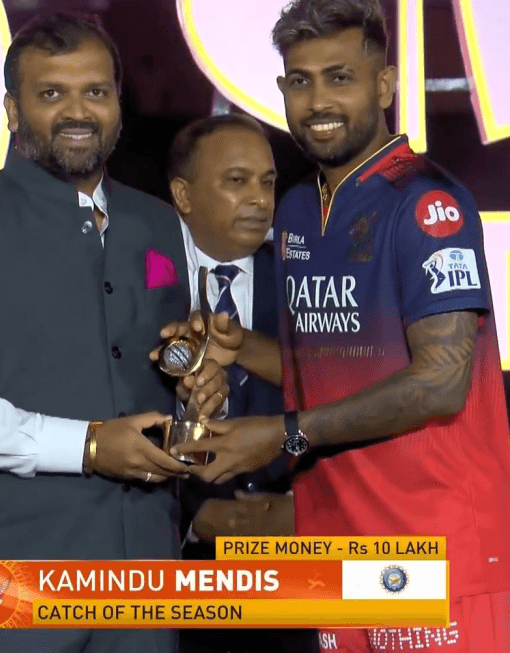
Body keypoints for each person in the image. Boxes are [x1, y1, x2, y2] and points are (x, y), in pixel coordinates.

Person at [164, 0, 510, 652]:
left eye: (340, 78)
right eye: (300, 81)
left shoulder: (427, 202)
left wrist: (284, 435)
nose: (318, 102)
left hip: (439, 549)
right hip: (338, 550)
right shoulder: (298, 209)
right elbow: (331, 372)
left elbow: (441, 382)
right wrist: (236, 348)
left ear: (384, 84)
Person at [0, 12, 228, 653]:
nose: (78, 111)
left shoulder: (160, 225)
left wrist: (200, 392)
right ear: (13, 111)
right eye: (52, 93)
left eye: (96, 91)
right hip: (4, 589)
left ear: (118, 105)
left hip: (143, 585)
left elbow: (174, 366)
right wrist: (89, 446)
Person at [166, 113, 320, 653]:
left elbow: (353, 402)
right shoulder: (137, 283)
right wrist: (191, 514)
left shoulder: (310, 281)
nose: (259, 199)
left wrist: (304, 510)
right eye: (237, 181)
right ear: (183, 195)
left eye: (267, 182)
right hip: (175, 571)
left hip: (301, 567)